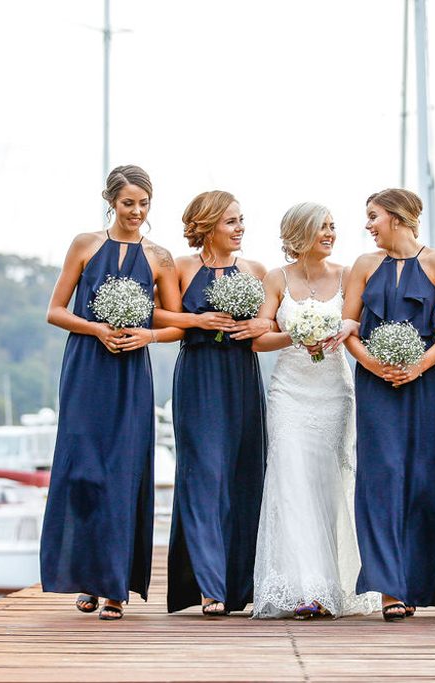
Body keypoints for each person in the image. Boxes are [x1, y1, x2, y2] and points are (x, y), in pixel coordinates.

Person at [40, 164, 183, 621]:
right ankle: (87, 576)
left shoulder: (160, 257)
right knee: (83, 470)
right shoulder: (85, 245)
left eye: (144, 204)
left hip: (130, 372)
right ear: (111, 202)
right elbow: (56, 311)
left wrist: (147, 335)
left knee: (122, 471)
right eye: (128, 203)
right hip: (85, 365)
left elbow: (176, 321)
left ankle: (115, 587)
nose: (136, 211)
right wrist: (96, 329)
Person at [341, 188, 435, 621]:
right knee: (380, 477)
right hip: (374, 386)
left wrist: (419, 365)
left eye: (373, 216)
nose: (368, 225)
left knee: (423, 478)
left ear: (397, 217)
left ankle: (418, 580)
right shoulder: (362, 265)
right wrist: (374, 366)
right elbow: (350, 328)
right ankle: (389, 588)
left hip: (425, 384)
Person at [250, 202, 380, 619]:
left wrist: (340, 332)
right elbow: (258, 338)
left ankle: (332, 587)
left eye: (332, 227)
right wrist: (293, 336)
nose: (330, 234)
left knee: (328, 482)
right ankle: (304, 586)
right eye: (322, 227)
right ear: (300, 233)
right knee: (290, 479)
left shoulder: (347, 276)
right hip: (289, 390)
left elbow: (356, 324)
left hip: (332, 391)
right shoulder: (276, 278)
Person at [153, 190, 271, 616]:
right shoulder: (180, 267)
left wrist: (261, 322)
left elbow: (272, 320)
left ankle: (242, 583)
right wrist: (195, 320)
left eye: (242, 220)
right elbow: (157, 315)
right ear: (207, 226)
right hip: (199, 375)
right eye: (232, 222)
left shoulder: (255, 269)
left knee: (243, 474)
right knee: (203, 475)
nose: (240, 229)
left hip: (241, 375)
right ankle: (209, 586)